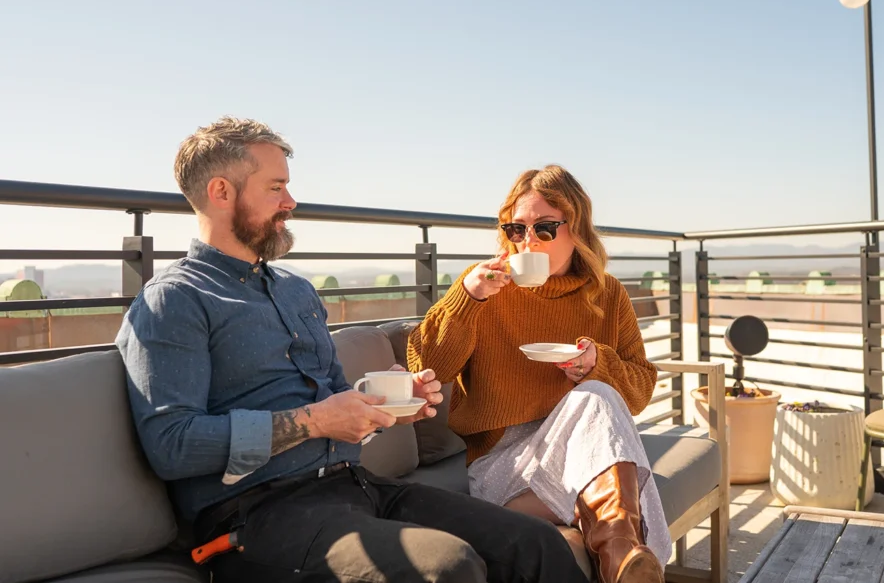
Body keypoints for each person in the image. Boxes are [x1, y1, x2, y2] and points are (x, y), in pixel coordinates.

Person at [115, 117, 590, 583]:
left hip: (354, 486)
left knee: (536, 543)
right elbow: (172, 445)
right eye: (275, 187)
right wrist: (314, 421)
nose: (291, 202)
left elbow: (338, 406)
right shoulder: (173, 300)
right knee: (446, 567)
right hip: (257, 515)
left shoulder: (297, 292)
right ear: (221, 192)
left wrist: (390, 408)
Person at [407, 165, 670, 583]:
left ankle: (617, 549)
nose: (528, 241)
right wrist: (467, 298)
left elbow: (638, 393)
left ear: (576, 229)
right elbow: (427, 368)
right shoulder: (485, 289)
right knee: (597, 397)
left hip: (583, 457)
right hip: (505, 472)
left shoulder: (608, 293)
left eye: (544, 228)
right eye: (516, 230)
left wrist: (594, 364)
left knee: (596, 393)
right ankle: (624, 553)